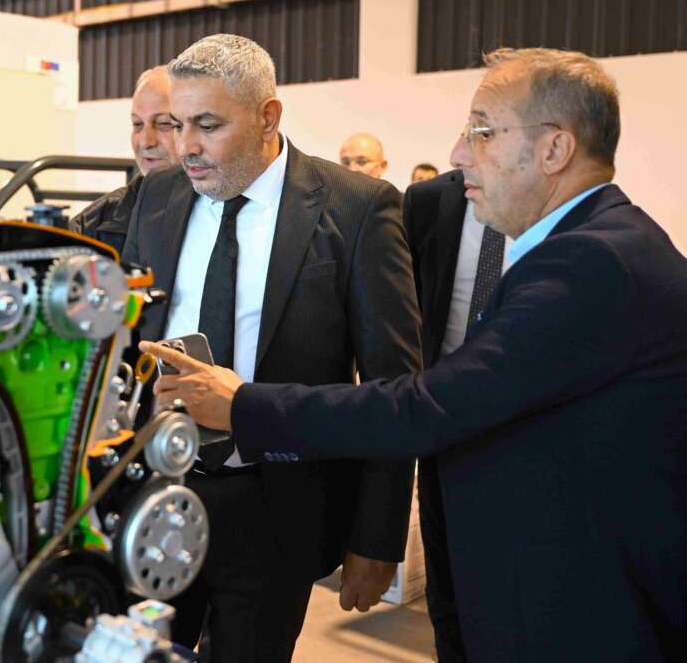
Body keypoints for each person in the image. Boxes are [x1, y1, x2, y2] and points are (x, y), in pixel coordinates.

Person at [142, 47, 687, 662]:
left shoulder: (591, 262)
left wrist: (242, 405)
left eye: (482, 132)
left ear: (555, 149)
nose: (457, 154)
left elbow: (424, 405)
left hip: (589, 603)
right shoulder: (593, 245)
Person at [121, 34, 420, 662]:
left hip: (275, 508)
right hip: (161, 494)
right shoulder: (159, 195)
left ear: (268, 117)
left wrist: (376, 538)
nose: (186, 145)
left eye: (208, 125)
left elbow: (393, 384)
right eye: (178, 124)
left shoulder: (356, 209)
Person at [401, 167, 513, 662]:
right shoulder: (429, 201)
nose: (461, 152)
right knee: (445, 586)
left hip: (518, 425)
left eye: (483, 132)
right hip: (441, 419)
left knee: (505, 588)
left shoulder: (547, 201)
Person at [69, 66, 177, 252]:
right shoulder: (92, 225)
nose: (146, 142)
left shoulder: (218, 220)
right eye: (137, 124)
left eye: (163, 124)